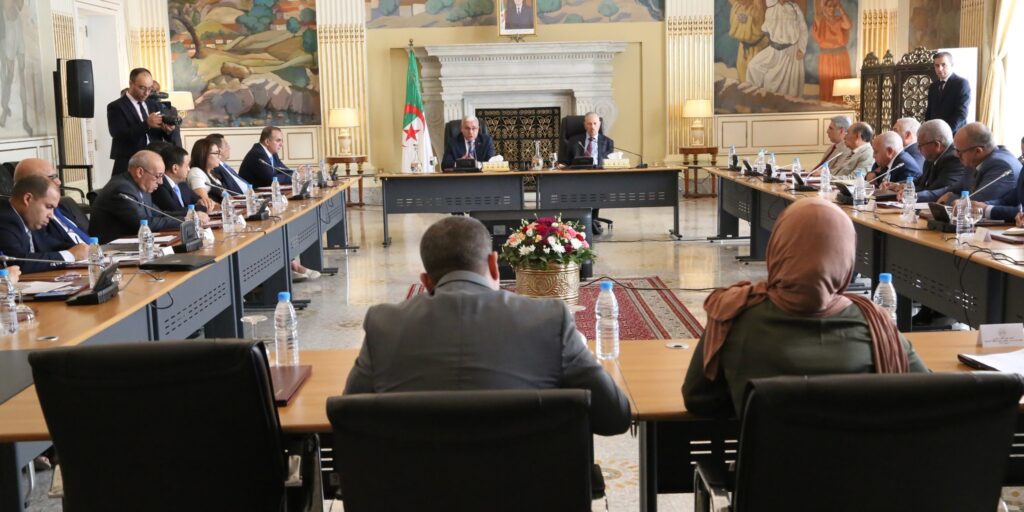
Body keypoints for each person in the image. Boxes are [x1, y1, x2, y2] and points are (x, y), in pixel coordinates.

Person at [344, 216, 631, 436]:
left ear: (426, 282)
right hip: (527, 489)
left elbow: (349, 418)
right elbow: (615, 417)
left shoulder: (384, 325)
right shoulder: (549, 320)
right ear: (494, 265)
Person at [682, 198, 929, 417]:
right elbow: (927, 394)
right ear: (846, 255)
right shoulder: (876, 325)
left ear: (777, 247)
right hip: (860, 457)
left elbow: (699, 400)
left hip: (768, 456)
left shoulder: (733, 315)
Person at [88, 150, 181, 243]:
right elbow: (144, 223)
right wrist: (184, 221)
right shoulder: (122, 188)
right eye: (158, 176)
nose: (161, 182)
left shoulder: (140, 186)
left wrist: (186, 217)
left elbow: (160, 214)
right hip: (111, 248)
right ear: (140, 172)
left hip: (133, 242)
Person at [0, 176, 87, 273]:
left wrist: (82, 249)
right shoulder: (4, 219)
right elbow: (18, 263)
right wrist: (70, 255)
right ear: (28, 199)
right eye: (49, 207)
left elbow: (51, 246)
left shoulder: (29, 218)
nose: (51, 215)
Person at [107, 68, 179, 176]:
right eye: (142, 88)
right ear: (131, 83)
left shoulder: (154, 105)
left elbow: (161, 135)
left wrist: (168, 131)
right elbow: (118, 135)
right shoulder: (116, 106)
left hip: (155, 162)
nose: (146, 93)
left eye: (150, 89)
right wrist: (146, 124)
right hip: (130, 162)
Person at [934, 122, 1020, 205]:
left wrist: (950, 198)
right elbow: (952, 189)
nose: (956, 155)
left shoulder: (1001, 166)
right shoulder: (974, 161)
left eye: (959, 151)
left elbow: (978, 202)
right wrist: (925, 195)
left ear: (978, 151)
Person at [12, 158, 90, 243]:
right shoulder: (35, 219)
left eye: (56, 176)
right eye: (52, 177)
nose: (59, 182)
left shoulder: (63, 205)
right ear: (32, 183)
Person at [562, 112, 614, 234]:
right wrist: (562, 165)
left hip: (598, 176)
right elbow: (565, 161)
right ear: (585, 125)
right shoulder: (574, 141)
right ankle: (588, 221)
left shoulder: (608, 142)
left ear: (599, 124)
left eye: (595, 123)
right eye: (589, 124)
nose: (592, 127)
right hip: (577, 176)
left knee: (596, 188)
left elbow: (609, 162)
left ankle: (591, 220)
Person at [745, 0, 808, 99]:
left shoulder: (794, 8)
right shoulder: (771, 8)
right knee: (753, 66)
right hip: (774, 50)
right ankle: (754, 98)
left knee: (781, 86)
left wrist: (801, 48)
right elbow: (765, 29)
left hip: (791, 52)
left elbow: (803, 29)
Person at [902, 119, 969, 203]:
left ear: (937, 145)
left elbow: (936, 190)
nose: (918, 149)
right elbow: (922, 182)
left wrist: (909, 193)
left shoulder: (953, 159)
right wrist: (903, 186)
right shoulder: (931, 157)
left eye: (920, 145)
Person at [152, 145, 212, 219]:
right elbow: (174, 211)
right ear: (175, 168)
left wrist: (205, 202)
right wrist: (200, 208)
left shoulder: (182, 184)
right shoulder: (160, 186)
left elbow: (198, 200)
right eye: (187, 166)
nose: (189, 169)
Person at [811, 0, 852, 102]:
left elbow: (848, 25)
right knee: (828, 84)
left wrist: (841, 8)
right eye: (829, 6)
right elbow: (817, 11)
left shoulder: (839, 20)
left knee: (842, 84)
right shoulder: (820, 20)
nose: (832, 8)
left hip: (841, 56)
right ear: (824, 7)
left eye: (834, 6)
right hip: (826, 57)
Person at [924, 52, 971, 133]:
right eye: (937, 65)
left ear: (951, 65)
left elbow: (961, 113)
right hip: (935, 134)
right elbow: (929, 112)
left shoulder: (961, 83)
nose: (940, 69)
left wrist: (946, 132)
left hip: (955, 134)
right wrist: (928, 131)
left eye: (943, 65)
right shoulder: (933, 86)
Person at [729, 0, 768, 83]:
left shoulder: (758, 8)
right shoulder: (737, 7)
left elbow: (755, 20)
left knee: (756, 79)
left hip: (758, 49)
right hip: (743, 48)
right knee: (742, 76)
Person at [186, 139, 229, 207]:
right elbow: (206, 203)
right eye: (216, 153)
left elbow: (227, 198)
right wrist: (229, 208)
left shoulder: (212, 173)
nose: (219, 156)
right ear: (204, 155)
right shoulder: (196, 172)